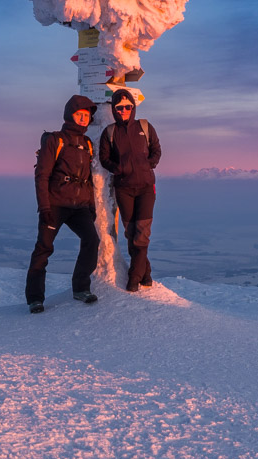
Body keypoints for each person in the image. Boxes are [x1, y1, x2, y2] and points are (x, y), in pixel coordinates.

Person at [25, 94, 100, 313]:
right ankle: (35, 298)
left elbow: (89, 180)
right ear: (70, 115)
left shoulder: (87, 144)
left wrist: (91, 206)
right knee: (44, 249)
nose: (84, 118)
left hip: (80, 207)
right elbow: (42, 176)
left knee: (91, 240)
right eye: (80, 114)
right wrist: (44, 207)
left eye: (87, 115)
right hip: (55, 205)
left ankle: (80, 288)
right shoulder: (55, 140)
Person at [99, 88, 161, 292]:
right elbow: (104, 158)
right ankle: (147, 274)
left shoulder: (145, 126)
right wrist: (119, 168)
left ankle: (134, 278)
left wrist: (148, 164)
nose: (124, 110)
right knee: (131, 232)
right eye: (120, 107)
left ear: (132, 107)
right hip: (124, 188)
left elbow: (157, 150)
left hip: (145, 188)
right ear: (114, 109)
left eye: (128, 106)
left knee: (142, 233)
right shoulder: (110, 132)